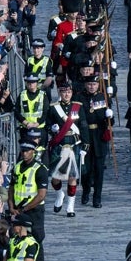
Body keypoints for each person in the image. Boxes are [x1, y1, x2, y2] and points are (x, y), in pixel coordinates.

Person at [9, 139, 48, 261]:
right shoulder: (17, 167)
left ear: (33, 152)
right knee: (19, 239)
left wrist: (25, 208)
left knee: (36, 242)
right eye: (23, 151)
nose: (24, 153)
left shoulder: (40, 169)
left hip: (34, 211)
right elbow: (12, 187)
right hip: (18, 210)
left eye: (27, 151)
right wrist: (11, 205)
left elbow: (41, 195)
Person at [45, 82, 83, 217]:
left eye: (68, 92)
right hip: (59, 143)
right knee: (55, 177)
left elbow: (83, 125)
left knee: (73, 176)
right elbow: (47, 124)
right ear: (60, 93)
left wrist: (85, 144)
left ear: (71, 93)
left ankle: (70, 207)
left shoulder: (77, 107)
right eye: (63, 92)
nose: (66, 94)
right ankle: (59, 194)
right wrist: (52, 129)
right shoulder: (54, 108)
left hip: (73, 143)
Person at [76, 74, 112, 208]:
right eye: (90, 84)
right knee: (86, 169)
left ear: (98, 85)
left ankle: (97, 198)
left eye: (94, 84)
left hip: (99, 136)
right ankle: (86, 191)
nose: (92, 87)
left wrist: (110, 116)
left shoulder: (102, 97)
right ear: (86, 85)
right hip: (85, 136)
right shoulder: (80, 98)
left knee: (99, 170)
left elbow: (109, 121)